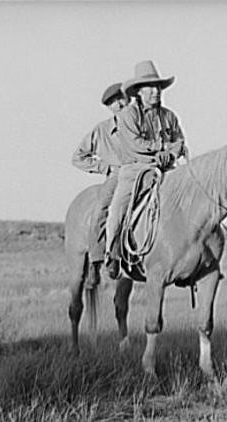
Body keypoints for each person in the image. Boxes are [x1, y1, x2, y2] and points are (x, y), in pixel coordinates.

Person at [105, 60, 189, 278]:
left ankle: (192, 257)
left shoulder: (169, 116)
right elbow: (135, 144)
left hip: (166, 169)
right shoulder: (128, 116)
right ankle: (112, 253)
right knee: (117, 210)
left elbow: (180, 141)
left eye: (158, 87)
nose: (155, 92)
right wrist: (162, 147)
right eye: (150, 87)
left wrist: (170, 154)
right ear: (138, 92)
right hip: (136, 171)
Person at [72, 82, 128, 288]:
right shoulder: (102, 130)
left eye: (121, 98)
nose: (120, 104)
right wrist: (104, 167)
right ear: (109, 107)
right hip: (118, 175)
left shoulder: (141, 123)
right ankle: (97, 262)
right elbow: (78, 157)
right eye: (114, 102)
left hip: (144, 172)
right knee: (100, 212)